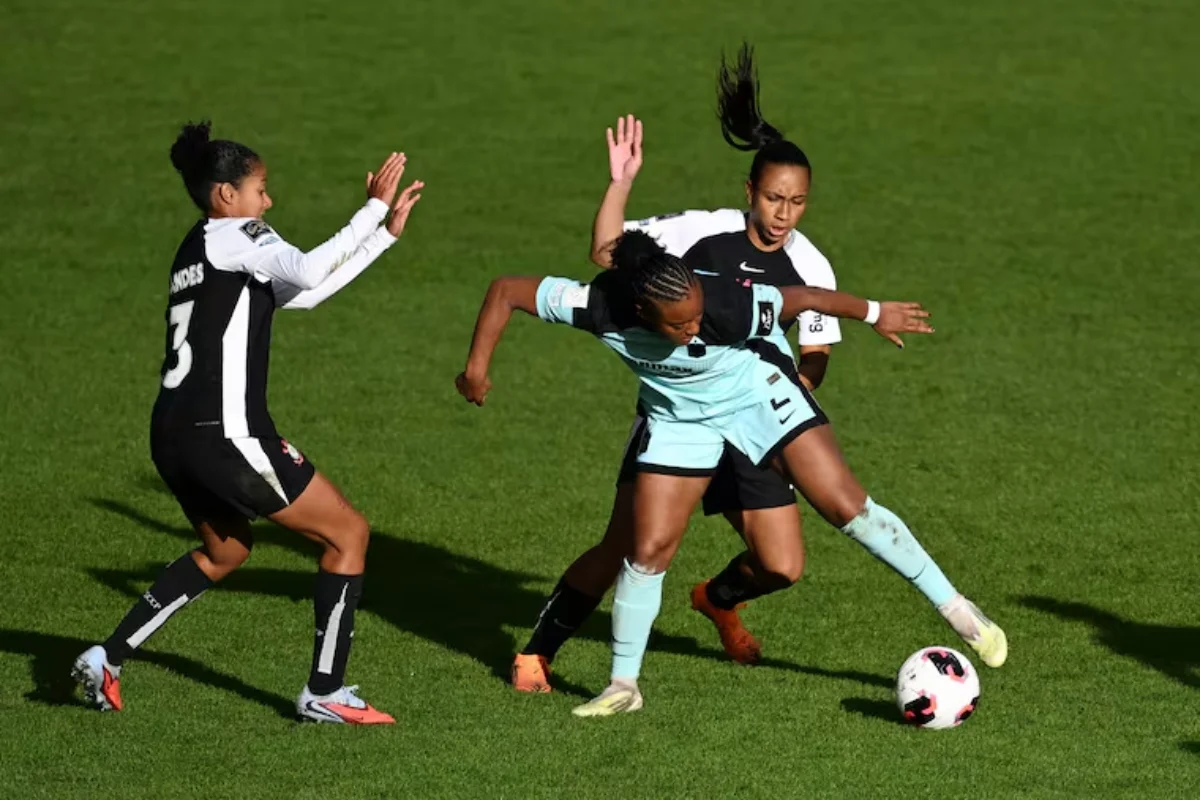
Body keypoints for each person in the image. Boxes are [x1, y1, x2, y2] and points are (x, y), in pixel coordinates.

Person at [511, 44, 991, 695]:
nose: (783, 215)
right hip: (678, 415)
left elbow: (814, 352)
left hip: (754, 416)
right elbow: (606, 252)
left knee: (784, 564)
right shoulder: (697, 235)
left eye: (796, 203)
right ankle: (539, 652)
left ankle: (716, 598)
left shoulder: (810, 267)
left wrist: (796, 399)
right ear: (750, 193)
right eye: (772, 199)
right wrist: (620, 182)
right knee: (627, 546)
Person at [457, 227, 1004, 716]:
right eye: (682, 322)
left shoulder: (726, 305)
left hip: (754, 395)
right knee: (647, 551)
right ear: (644, 313)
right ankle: (623, 685)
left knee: (842, 504)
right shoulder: (597, 305)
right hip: (679, 417)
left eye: (698, 313)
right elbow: (507, 290)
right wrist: (476, 369)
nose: (697, 326)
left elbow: (804, 299)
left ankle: (956, 608)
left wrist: (875, 311)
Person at [72, 121, 423, 724]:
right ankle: (326, 692)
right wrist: (370, 208)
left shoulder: (198, 248)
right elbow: (309, 272)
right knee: (348, 536)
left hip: (173, 436)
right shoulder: (239, 234)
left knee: (226, 550)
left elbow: (302, 294)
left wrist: (381, 239)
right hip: (226, 432)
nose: (269, 200)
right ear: (226, 195)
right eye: (260, 188)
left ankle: (108, 656)